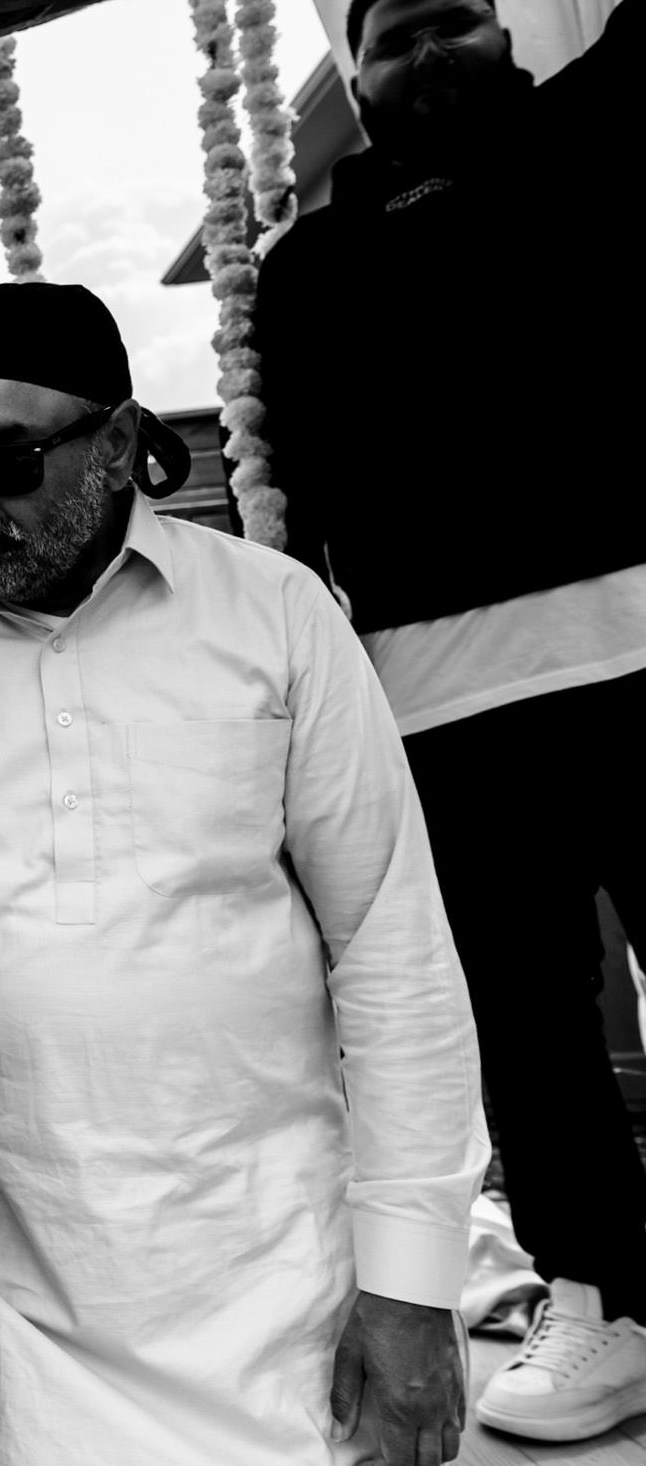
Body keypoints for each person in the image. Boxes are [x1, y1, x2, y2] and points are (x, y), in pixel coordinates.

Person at [0, 281, 489, 1466]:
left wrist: (411, 1283)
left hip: (270, 1301)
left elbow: (392, 950)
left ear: (116, 445)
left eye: (7, 461)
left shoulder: (274, 616)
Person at [253, 0, 646, 1442]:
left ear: (508, 37)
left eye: (458, 23)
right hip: (444, 695)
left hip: (642, 641)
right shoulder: (307, 269)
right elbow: (295, 496)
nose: (432, 59)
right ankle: (607, 1303)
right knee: (532, 1032)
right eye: (397, 36)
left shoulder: (597, 145)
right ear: (355, 78)